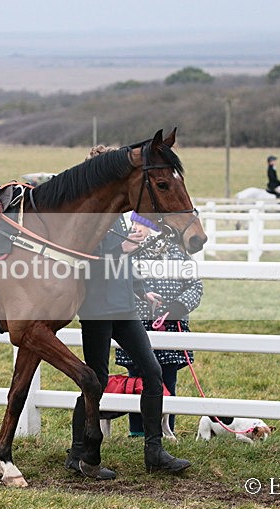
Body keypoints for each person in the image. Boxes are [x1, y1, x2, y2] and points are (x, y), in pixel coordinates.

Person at [66, 147, 192, 479]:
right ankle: (77, 453)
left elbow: (123, 258)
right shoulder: (87, 212)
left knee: (152, 371)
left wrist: (139, 289)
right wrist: (124, 247)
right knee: (96, 380)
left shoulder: (118, 211)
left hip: (123, 305)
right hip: (97, 307)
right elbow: (87, 258)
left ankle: (154, 452)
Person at [114, 211, 203, 437]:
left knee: (168, 376)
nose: (135, 228)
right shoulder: (129, 254)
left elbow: (195, 286)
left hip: (170, 326)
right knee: (137, 377)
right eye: (133, 224)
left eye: (141, 225)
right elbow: (119, 282)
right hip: (137, 326)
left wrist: (176, 309)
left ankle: (166, 428)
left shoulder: (177, 254)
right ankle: (138, 430)